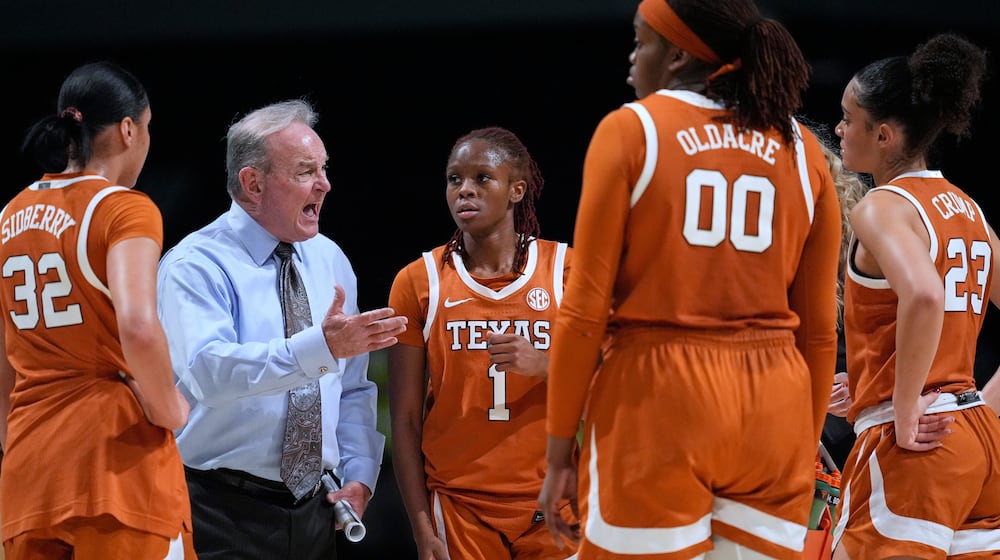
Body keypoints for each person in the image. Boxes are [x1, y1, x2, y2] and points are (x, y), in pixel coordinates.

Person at [537, 0, 843, 558]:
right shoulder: (804, 150)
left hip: (659, 397)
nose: (632, 58)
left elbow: (583, 312)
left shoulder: (633, 129)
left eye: (641, 41)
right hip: (775, 406)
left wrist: (560, 454)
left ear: (678, 55)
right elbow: (821, 330)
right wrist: (803, 440)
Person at [156, 99, 407, 560]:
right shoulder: (196, 264)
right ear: (253, 183)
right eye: (305, 171)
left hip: (315, 514)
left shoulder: (329, 259)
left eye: (324, 168)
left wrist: (360, 474)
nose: (325, 184)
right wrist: (318, 347)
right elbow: (210, 371)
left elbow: (351, 388)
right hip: (218, 510)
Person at [0, 61, 195, 558]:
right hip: (115, 467)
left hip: (28, 472)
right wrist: (170, 409)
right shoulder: (123, 207)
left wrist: (12, 441)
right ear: (129, 129)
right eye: (147, 128)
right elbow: (137, 324)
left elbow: (5, 352)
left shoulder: (9, 214)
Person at [831, 33, 1000, 559]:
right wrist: (982, 409)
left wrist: (900, 411)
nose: (837, 129)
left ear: (882, 135)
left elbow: (924, 296)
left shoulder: (882, 206)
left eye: (846, 117)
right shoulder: (966, 208)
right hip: (978, 446)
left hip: (915, 447)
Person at [387, 126, 578, 559]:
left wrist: (548, 364)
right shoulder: (418, 282)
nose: (464, 191)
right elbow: (405, 420)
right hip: (460, 505)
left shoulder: (567, 271)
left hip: (556, 499)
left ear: (517, 190)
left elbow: (621, 374)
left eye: (481, 178)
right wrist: (420, 527)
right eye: (454, 179)